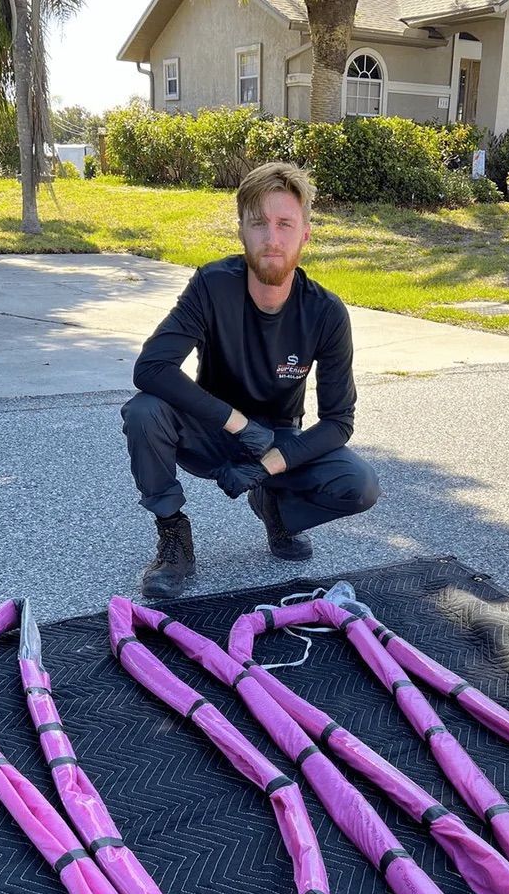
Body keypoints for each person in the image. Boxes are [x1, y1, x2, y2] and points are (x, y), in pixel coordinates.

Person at [121, 161, 380, 600]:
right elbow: (151, 368)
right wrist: (238, 424)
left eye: (284, 224)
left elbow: (339, 421)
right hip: (210, 430)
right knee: (144, 411)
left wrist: (266, 465)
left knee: (360, 484)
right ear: (241, 231)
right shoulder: (212, 285)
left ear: (305, 234)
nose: (272, 238)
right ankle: (173, 535)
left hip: (276, 440)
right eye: (259, 223)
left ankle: (276, 508)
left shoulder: (326, 312)